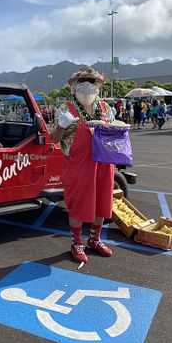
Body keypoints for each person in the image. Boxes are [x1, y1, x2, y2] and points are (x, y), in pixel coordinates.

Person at [51, 67, 115, 263]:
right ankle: (76, 243)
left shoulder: (106, 108)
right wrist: (61, 125)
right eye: (83, 82)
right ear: (74, 87)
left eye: (92, 82)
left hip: (104, 162)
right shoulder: (65, 109)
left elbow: (115, 134)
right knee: (78, 203)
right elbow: (54, 139)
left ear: (98, 87)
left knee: (102, 201)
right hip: (79, 165)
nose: (87, 86)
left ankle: (94, 240)